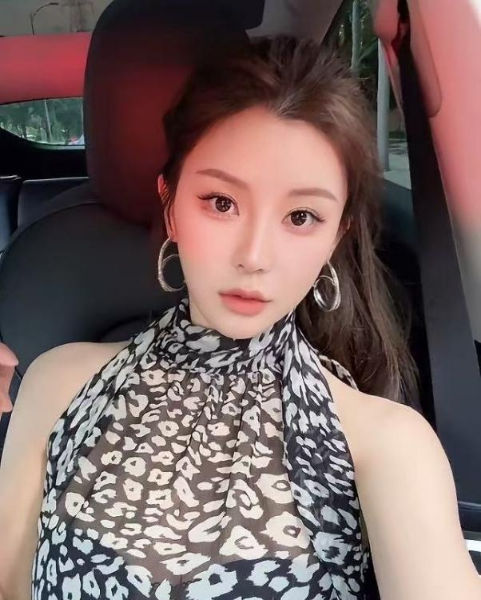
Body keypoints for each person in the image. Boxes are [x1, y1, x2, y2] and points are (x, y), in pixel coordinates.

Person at [0, 35, 480, 600]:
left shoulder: (387, 445)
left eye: (301, 216)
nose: (255, 257)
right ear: (170, 206)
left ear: (337, 236)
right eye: (221, 203)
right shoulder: (57, 385)